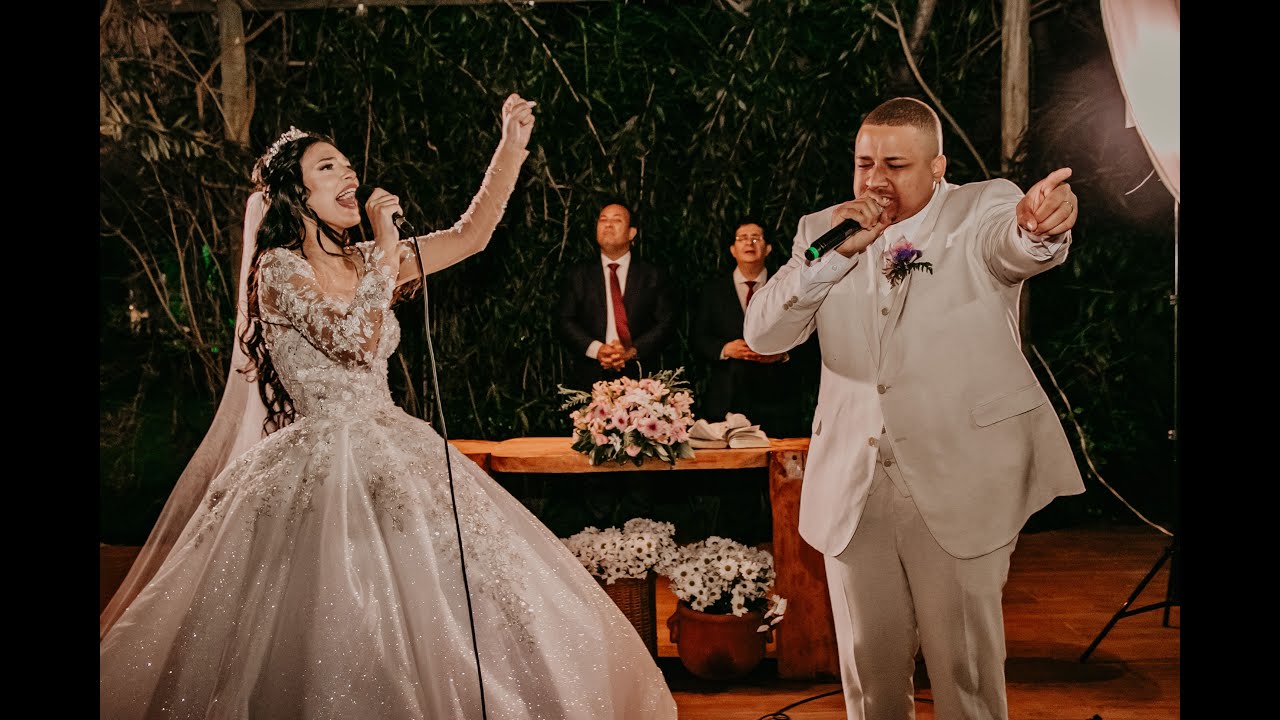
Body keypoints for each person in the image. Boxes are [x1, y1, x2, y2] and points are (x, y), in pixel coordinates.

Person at [100, 94, 678, 720]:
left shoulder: (370, 260)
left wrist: (510, 148)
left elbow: (472, 235)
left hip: (397, 448)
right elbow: (353, 340)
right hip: (320, 466)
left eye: (349, 164)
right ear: (296, 194)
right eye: (327, 167)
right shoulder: (279, 270)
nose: (348, 173)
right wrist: (384, 244)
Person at [743, 96, 1085, 720]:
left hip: (961, 477)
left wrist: (1039, 229)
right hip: (855, 484)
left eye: (895, 165)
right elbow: (764, 334)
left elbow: (1013, 244)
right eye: (864, 163)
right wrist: (833, 254)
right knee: (870, 677)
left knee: (966, 677)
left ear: (936, 167)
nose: (875, 180)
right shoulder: (822, 230)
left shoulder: (980, 208)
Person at [691, 218, 815, 438]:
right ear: (732, 249)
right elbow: (698, 338)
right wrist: (725, 349)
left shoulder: (786, 286)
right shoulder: (712, 290)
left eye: (756, 238)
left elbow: (808, 334)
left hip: (777, 401)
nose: (749, 243)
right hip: (726, 399)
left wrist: (781, 354)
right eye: (742, 238)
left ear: (768, 248)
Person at [556, 202, 675, 392]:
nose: (608, 225)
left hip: (642, 377)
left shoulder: (652, 274)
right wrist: (597, 350)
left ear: (631, 233)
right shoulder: (578, 274)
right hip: (590, 376)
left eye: (616, 220)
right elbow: (564, 319)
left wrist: (632, 351)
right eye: (603, 220)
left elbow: (666, 322)